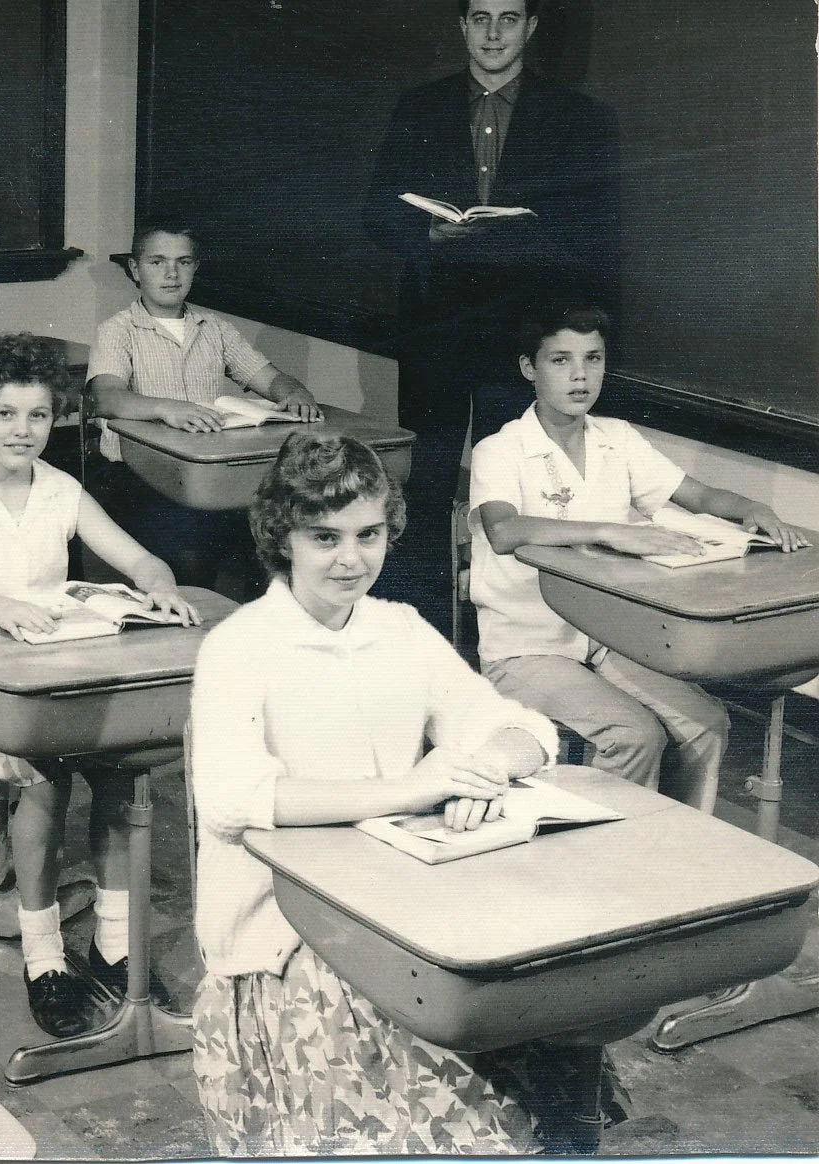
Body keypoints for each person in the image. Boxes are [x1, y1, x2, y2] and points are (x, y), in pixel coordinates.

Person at [187, 428, 619, 1155]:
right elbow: (233, 798)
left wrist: (491, 766)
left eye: (368, 534)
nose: (350, 559)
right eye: (324, 537)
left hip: (397, 894)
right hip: (287, 929)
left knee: (549, 981)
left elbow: (520, 724)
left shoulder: (400, 629)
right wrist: (409, 787)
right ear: (281, 537)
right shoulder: (239, 645)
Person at [0, 332, 202, 1037]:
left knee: (122, 774)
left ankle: (112, 943)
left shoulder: (62, 489)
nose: (23, 431)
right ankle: (42, 954)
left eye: (38, 417)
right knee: (43, 783)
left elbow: (136, 556)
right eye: (6, 415)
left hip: (56, 670)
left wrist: (158, 584)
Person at [470, 300, 808, 812]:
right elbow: (504, 529)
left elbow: (698, 495)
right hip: (526, 648)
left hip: (608, 637)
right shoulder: (501, 449)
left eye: (594, 359)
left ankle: (676, 839)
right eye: (560, 361)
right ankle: (606, 862)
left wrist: (753, 508)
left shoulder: (618, 440)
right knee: (633, 734)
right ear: (528, 368)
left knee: (706, 725)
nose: (580, 376)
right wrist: (614, 532)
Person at [362, 0, 620, 633]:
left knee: (518, 486)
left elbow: (597, 232)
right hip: (435, 333)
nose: (494, 33)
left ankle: (508, 632)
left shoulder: (579, 119)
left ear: (531, 28)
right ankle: (420, 627)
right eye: (481, 18)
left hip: (523, 340)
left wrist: (523, 243)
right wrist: (427, 231)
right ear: (462, 27)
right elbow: (376, 213)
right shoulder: (418, 106)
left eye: (509, 18)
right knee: (423, 485)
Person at [86, 222, 322, 598]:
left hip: (210, 480)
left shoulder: (215, 329)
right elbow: (107, 397)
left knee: (277, 542)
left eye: (183, 262)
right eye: (157, 262)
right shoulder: (118, 330)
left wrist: (295, 392)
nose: (171, 273)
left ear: (196, 268)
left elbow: (271, 379)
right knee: (191, 558)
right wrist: (168, 408)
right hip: (139, 478)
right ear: (135, 269)